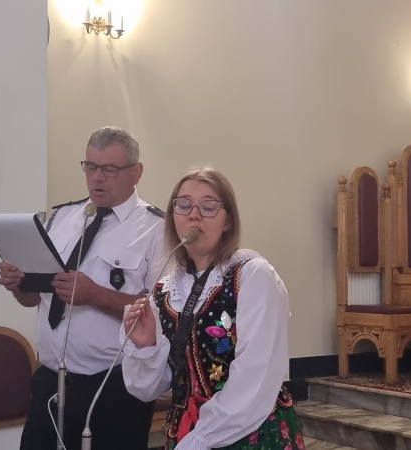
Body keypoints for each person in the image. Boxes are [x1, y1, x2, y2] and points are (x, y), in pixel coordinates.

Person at [0, 126, 163, 450]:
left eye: (109, 169)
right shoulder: (61, 218)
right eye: (91, 166)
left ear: (136, 172)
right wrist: (18, 284)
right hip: (51, 381)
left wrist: (95, 295)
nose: (97, 178)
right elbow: (35, 299)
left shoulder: (155, 229)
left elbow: (160, 316)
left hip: (114, 388)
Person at [121, 166, 305, 450]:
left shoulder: (252, 276)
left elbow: (257, 376)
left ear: (228, 220)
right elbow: (149, 388)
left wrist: (202, 438)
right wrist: (146, 347)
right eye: (184, 205)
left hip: (250, 433)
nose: (194, 215)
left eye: (208, 207)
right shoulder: (165, 290)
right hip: (186, 433)